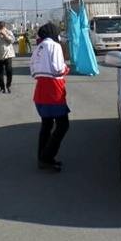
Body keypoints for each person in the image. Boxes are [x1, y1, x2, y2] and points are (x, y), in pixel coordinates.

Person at [30, 22, 70, 172]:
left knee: (46, 125)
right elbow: (59, 68)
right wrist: (66, 69)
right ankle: (47, 157)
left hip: (40, 89)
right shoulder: (54, 46)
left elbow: (32, 70)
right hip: (53, 91)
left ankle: (42, 157)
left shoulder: (38, 47)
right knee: (63, 125)